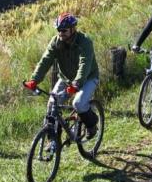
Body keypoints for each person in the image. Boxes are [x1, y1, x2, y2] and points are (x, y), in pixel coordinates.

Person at [24, 12, 100, 140]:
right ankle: (53, 140)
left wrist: (77, 83)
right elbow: (45, 60)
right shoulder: (56, 42)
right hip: (66, 78)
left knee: (79, 104)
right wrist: (34, 80)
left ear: (73, 29)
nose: (61, 33)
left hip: (88, 78)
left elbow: (84, 64)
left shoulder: (85, 41)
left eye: (64, 30)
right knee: (52, 105)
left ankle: (92, 124)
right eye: (58, 30)